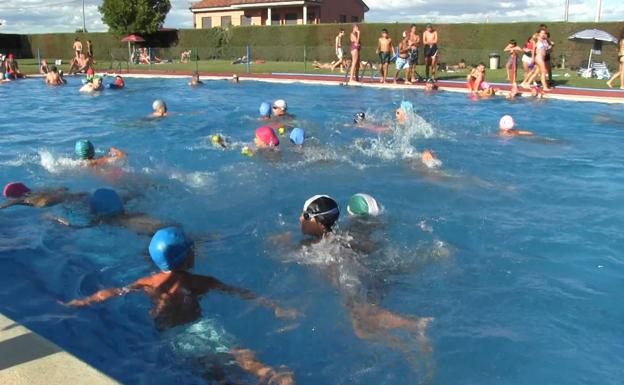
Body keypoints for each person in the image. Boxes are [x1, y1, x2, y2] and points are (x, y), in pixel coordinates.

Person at [63, 226, 296, 385]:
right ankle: (270, 374)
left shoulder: (147, 283)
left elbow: (113, 292)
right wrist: (274, 305)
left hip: (173, 338)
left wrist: (83, 301)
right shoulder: (199, 281)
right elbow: (237, 291)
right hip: (201, 327)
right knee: (240, 354)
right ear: (187, 258)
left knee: (216, 372)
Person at [276, 196, 433, 373]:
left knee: (361, 320)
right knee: (361, 325)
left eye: (305, 216)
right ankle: (408, 343)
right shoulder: (342, 238)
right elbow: (368, 249)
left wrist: (281, 242)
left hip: (346, 278)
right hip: (359, 273)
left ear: (320, 223)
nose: (300, 219)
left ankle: (414, 325)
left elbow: (280, 255)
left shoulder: (309, 246)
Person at [50, 188, 167, 236]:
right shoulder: (137, 214)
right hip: (159, 229)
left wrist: (55, 219)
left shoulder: (100, 221)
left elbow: (75, 227)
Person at [1, 182, 87, 209]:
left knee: (68, 198)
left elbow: (5, 205)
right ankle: (84, 194)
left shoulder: (20, 199)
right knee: (71, 196)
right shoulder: (34, 190)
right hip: (46, 194)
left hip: (44, 201)